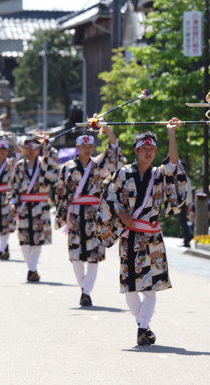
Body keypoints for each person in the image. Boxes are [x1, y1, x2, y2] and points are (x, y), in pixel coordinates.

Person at [97, 120, 188, 346]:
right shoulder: (123, 173)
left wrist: (171, 134)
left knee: (150, 286)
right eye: (144, 149)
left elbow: (175, 164)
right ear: (136, 151)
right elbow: (108, 195)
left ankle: (143, 327)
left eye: (152, 149)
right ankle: (143, 325)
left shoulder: (160, 174)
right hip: (129, 236)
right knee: (130, 285)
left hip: (153, 237)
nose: (148, 152)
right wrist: (121, 213)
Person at [55, 126, 124, 307]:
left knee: (94, 254)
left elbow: (114, 147)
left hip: (95, 215)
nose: (87, 150)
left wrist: (106, 128)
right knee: (76, 255)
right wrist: (61, 214)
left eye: (90, 147)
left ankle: (86, 292)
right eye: (84, 146)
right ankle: (83, 287)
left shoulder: (99, 164)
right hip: (76, 215)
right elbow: (60, 192)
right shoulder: (67, 168)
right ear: (77, 148)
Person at [9, 135, 58, 282]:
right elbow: (13, 187)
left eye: (35, 147)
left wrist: (47, 143)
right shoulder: (18, 166)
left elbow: (54, 162)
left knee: (38, 239)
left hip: (40, 206)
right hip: (24, 206)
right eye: (28, 147)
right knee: (24, 239)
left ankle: (32, 269)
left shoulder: (44, 163)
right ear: (24, 149)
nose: (31, 150)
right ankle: (32, 268)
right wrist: (12, 201)